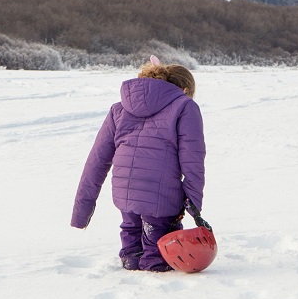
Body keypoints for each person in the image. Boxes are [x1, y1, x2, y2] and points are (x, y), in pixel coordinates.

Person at [71, 56, 206, 272]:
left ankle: (131, 266)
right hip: (161, 195)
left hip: (125, 192)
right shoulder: (184, 106)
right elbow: (192, 159)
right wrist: (193, 204)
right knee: (159, 249)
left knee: (131, 234)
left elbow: (96, 160)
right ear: (185, 89)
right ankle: (154, 282)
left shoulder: (119, 108)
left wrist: (82, 210)